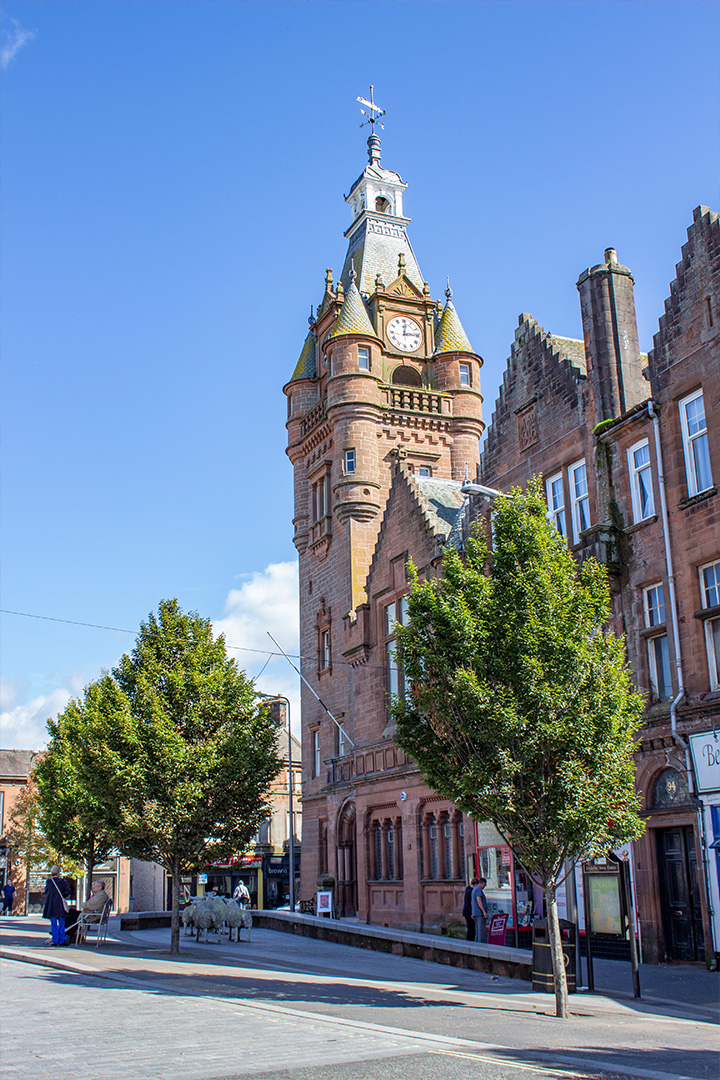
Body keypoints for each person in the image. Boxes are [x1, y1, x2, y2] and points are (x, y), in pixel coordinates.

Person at [43, 865, 71, 946]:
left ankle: (55, 940)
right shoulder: (62, 881)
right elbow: (66, 892)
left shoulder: (49, 882)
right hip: (60, 905)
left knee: (53, 923)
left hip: (52, 905)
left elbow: (46, 891)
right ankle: (61, 940)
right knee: (62, 923)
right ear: (58, 873)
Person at [471, 877, 489, 944]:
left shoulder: (474, 889)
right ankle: (481, 946)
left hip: (475, 913)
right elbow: (479, 901)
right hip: (479, 913)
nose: (485, 886)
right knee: (481, 931)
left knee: (477, 931)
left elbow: (472, 902)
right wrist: (484, 912)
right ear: (483, 883)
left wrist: (472, 913)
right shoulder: (478, 890)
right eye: (485, 885)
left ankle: (477, 945)